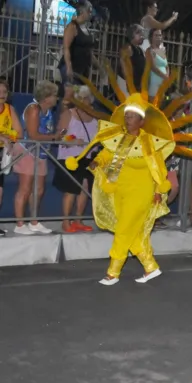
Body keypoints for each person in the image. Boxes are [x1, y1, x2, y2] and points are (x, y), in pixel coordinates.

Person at [66, 94, 173, 284]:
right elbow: (107, 155)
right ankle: (150, 267)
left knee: (124, 230)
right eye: (126, 115)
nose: (127, 118)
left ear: (141, 121)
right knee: (131, 231)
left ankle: (113, 272)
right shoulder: (119, 138)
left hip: (141, 192)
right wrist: (97, 161)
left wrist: (158, 191)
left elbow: (160, 170)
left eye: (132, 116)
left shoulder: (149, 143)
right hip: (119, 190)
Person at [14, 81, 61, 235]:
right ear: (46, 97)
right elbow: (33, 135)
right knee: (25, 188)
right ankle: (20, 224)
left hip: (41, 152)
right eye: (54, 95)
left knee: (39, 189)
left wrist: (55, 137)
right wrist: (54, 138)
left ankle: (34, 221)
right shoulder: (34, 109)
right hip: (27, 151)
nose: (57, 98)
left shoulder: (49, 112)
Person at [52, 86, 98, 233]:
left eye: (85, 98)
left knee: (84, 188)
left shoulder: (95, 117)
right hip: (70, 157)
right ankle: (66, 222)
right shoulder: (69, 114)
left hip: (88, 157)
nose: (83, 101)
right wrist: (72, 139)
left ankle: (78, 220)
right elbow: (60, 135)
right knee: (71, 190)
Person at [59, 0, 98, 103]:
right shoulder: (72, 26)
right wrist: (68, 66)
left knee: (80, 99)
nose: (91, 13)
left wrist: (98, 66)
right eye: (89, 10)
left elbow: (88, 51)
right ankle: (62, 118)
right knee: (69, 98)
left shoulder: (87, 29)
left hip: (82, 71)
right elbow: (66, 47)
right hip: (72, 69)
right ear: (82, 11)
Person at [0, 79, 22, 237]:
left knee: (0, 191)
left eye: (4, 92)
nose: (2, 95)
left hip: (2, 153)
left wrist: (9, 138)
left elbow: (19, 132)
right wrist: (4, 136)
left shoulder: (9, 109)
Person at [117, 25, 146, 97]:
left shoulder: (140, 50)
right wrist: (128, 83)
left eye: (142, 33)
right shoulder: (127, 48)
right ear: (131, 35)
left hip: (136, 84)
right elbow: (123, 66)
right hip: (126, 83)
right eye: (138, 33)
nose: (142, 35)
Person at [146, 29, 169, 99]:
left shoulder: (162, 51)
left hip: (163, 83)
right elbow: (152, 67)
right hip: (154, 82)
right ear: (151, 37)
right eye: (156, 35)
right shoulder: (149, 50)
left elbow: (167, 66)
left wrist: (167, 75)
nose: (158, 37)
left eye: (160, 35)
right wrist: (164, 76)